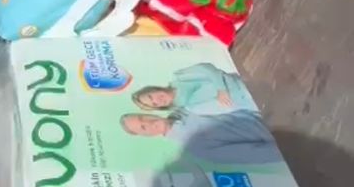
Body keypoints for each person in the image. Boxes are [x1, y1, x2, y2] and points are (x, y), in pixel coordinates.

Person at [120, 107, 283, 168]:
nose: (148, 122)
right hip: (282, 127)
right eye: (143, 127)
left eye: (142, 117)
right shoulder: (197, 146)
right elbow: (259, 154)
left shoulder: (183, 107)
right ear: (147, 136)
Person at [132, 63, 258, 116]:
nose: (157, 100)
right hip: (252, 103)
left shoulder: (180, 78)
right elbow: (228, 109)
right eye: (154, 104)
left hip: (246, 81)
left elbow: (208, 68)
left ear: (152, 89)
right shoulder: (190, 109)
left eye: (151, 96)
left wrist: (221, 89)